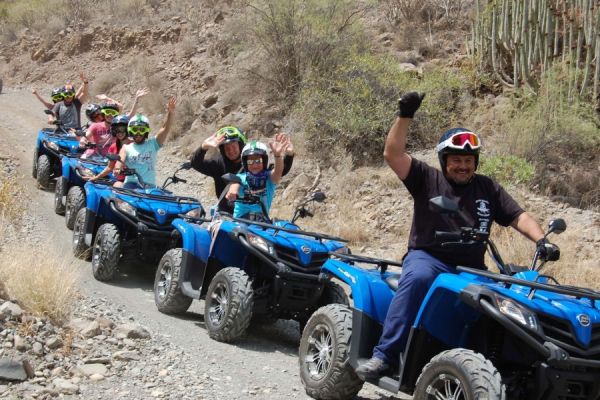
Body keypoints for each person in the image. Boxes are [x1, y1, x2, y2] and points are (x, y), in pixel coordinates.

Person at [355, 92, 555, 380]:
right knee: (418, 280)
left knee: (511, 300)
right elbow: (393, 154)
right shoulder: (426, 178)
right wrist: (405, 115)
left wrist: (541, 240)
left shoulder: (487, 188)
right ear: (444, 160)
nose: (463, 166)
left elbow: (518, 216)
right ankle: (384, 355)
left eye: (468, 160)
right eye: (456, 160)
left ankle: (507, 370)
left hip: (472, 267)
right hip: (429, 258)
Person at [190, 127, 295, 213]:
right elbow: (196, 164)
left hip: (255, 216)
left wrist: (288, 155)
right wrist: (203, 147)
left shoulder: (253, 160)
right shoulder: (218, 162)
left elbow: (279, 171)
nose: (231, 151)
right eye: (226, 148)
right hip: (226, 214)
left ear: (241, 145)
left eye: (233, 146)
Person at [116, 96, 177, 188]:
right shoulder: (126, 148)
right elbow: (120, 160)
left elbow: (165, 129)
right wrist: (117, 168)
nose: (138, 133)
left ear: (146, 131)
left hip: (149, 186)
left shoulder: (153, 144)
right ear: (130, 131)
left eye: (141, 130)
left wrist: (170, 113)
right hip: (131, 184)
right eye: (135, 130)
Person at [225, 140, 288, 220]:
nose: (254, 165)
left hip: (262, 224)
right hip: (240, 223)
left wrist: (278, 156)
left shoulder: (269, 178)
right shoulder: (240, 177)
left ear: (265, 161)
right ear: (245, 163)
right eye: (250, 161)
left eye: (258, 161)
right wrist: (233, 191)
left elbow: (278, 172)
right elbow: (235, 183)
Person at [86, 115, 131, 186]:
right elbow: (110, 167)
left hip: (136, 180)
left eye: (122, 129)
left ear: (127, 130)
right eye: (116, 130)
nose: (119, 133)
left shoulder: (134, 145)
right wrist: (96, 177)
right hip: (121, 181)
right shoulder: (113, 147)